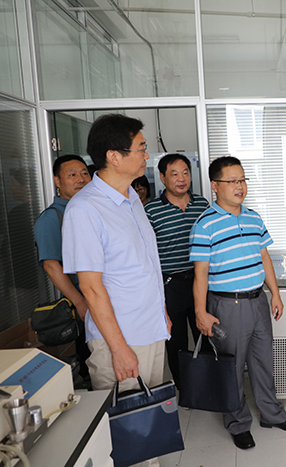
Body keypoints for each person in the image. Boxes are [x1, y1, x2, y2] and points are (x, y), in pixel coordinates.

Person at [62, 114, 171, 467]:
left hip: (150, 330)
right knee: (126, 438)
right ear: (113, 156)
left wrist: (162, 313)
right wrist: (119, 349)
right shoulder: (85, 209)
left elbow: (145, 265)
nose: (146, 155)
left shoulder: (131, 199)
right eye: (141, 148)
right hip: (120, 340)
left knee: (148, 427)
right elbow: (91, 288)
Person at [190, 156, 286, 450]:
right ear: (215, 186)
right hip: (228, 306)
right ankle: (238, 424)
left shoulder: (254, 217)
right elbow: (200, 274)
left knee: (263, 362)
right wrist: (200, 312)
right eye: (232, 181)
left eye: (242, 180)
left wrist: (275, 293)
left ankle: (272, 414)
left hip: (258, 301)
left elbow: (264, 257)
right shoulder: (205, 224)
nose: (239, 186)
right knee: (232, 367)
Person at [145, 153, 210, 383]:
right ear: (162, 178)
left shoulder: (202, 204)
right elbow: (147, 254)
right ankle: (185, 387)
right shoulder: (151, 210)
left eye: (185, 173)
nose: (181, 179)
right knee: (176, 341)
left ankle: (207, 384)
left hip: (201, 281)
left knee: (206, 334)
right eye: (174, 174)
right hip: (170, 285)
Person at [33, 154, 92, 385]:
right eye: (72, 174)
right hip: (85, 301)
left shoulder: (90, 210)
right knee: (95, 363)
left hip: (106, 298)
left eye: (85, 173)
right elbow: (51, 266)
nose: (81, 179)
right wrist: (80, 302)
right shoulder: (52, 218)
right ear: (57, 181)